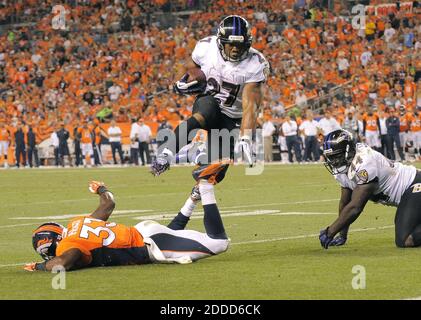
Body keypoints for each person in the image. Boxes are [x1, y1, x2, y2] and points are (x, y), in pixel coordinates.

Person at [25, 161, 231, 272]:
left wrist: (39, 266)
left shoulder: (65, 247)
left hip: (149, 244)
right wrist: (101, 188)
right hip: (143, 231)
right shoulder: (77, 223)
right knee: (173, 234)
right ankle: (193, 198)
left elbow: (65, 261)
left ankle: (204, 185)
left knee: (219, 242)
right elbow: (109, 203)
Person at [151, 15, 269, 176]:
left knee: (214, 173)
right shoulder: (206, 47)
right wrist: (179, 82)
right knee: (204, 113)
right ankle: (166, 153)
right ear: (221, 41)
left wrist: (245, 138)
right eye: (231, 44)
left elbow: (250, 105)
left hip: (233, 118)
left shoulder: (256, 63)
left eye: (240, 45)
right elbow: (188, 67)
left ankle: (195, 155)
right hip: (210, 101)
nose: (235, 49)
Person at [319, 129, 421, 249]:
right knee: (405, 228)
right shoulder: (343, 168)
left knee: (405, 240)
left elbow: (355, 207)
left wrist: (330, 232)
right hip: (407, 196)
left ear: (348, 151)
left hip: (414, 184)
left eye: (336, 156)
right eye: (330, 157)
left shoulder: (364, 162)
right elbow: (345, 202)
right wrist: (342, 234)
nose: (333, 162)